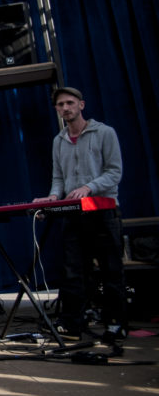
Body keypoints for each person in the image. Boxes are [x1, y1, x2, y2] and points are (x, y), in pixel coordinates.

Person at [33, 86, 125, 343]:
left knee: (110, 270)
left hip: (103, 211)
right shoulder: (58, 140)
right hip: (74, 214)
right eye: (61, 105)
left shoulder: (104, 133)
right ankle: (73, 322)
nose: (66, 108)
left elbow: (114, 172)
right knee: (73, 270)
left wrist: (88, 187)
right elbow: (58, 178)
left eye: (70, 103)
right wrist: (53, 197)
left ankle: (116, 323)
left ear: (81, 105)